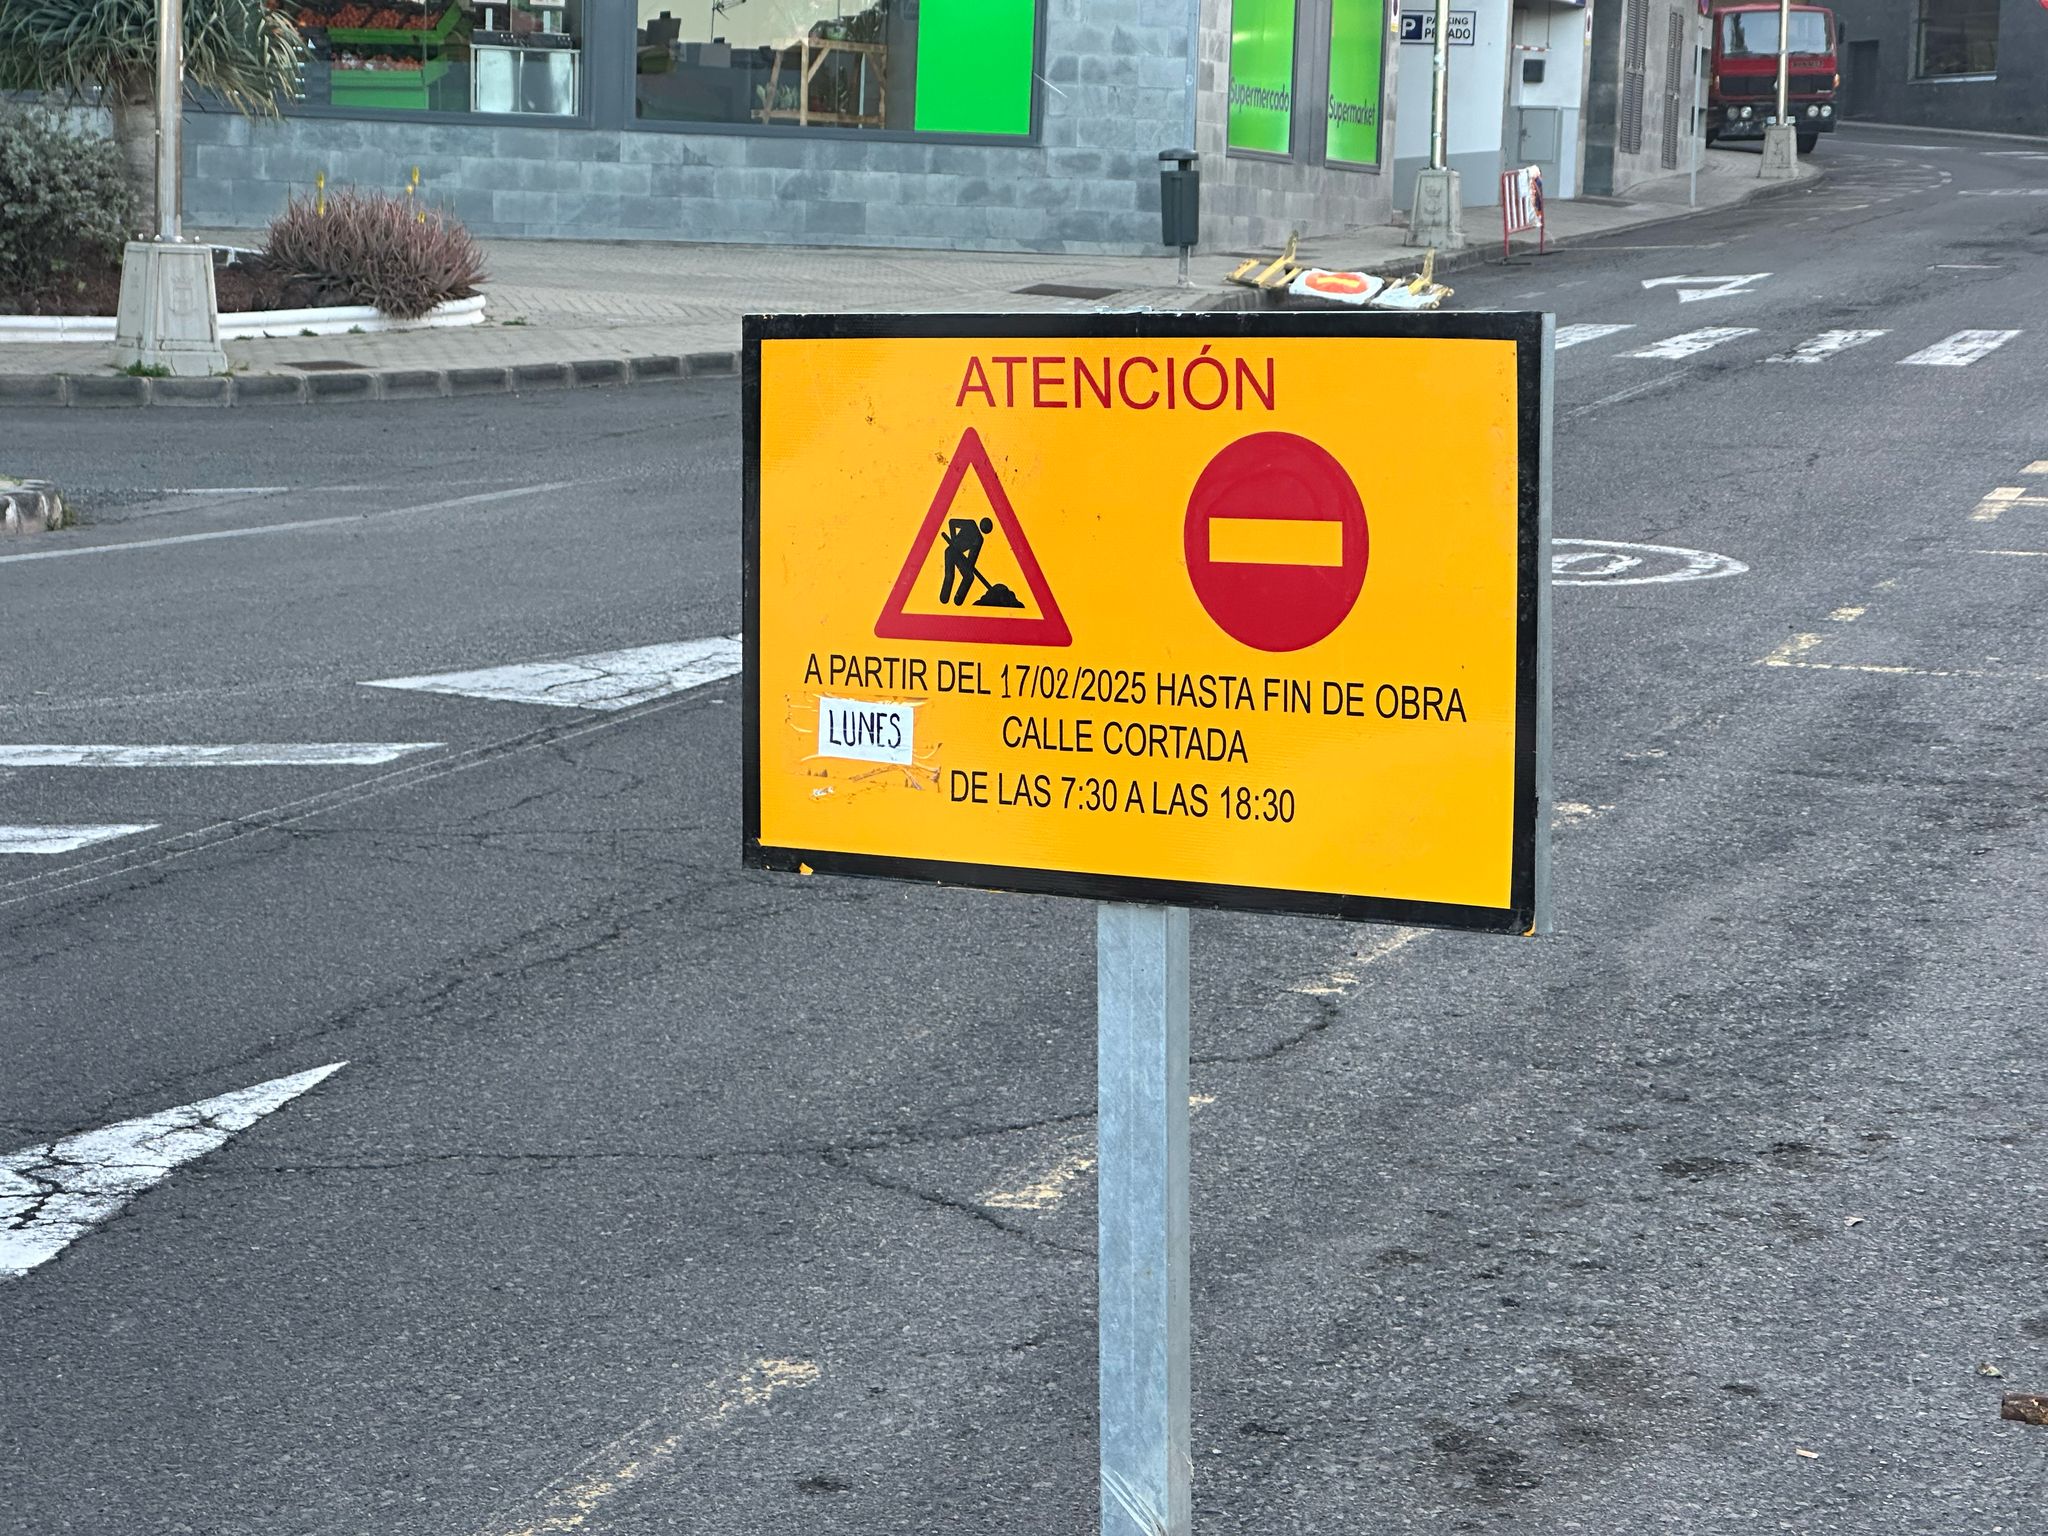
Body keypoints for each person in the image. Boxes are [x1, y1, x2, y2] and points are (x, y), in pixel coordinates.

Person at [940, 516, 993, 606]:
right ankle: (944, 598)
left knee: (969, 576)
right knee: (950, 575)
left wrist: (968, 566)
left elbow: (972, 558)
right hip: (951, 552)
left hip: (959, 556)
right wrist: (953, 541)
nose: (985, 528)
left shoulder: (979, 539)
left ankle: (958, 599)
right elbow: (952, 522)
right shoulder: (971, 524)